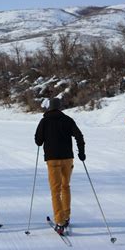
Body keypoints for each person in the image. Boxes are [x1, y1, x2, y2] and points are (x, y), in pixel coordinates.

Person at [35, 98, 85, 235]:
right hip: (68, 159)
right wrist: (81, 152)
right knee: (65, 186)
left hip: (52, 160)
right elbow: (79, 135)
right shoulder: (67, 120)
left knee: (55, 190)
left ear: (49, 108)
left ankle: (60, 221)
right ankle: (66, 215)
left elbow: (38, 141)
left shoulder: (44, 121)